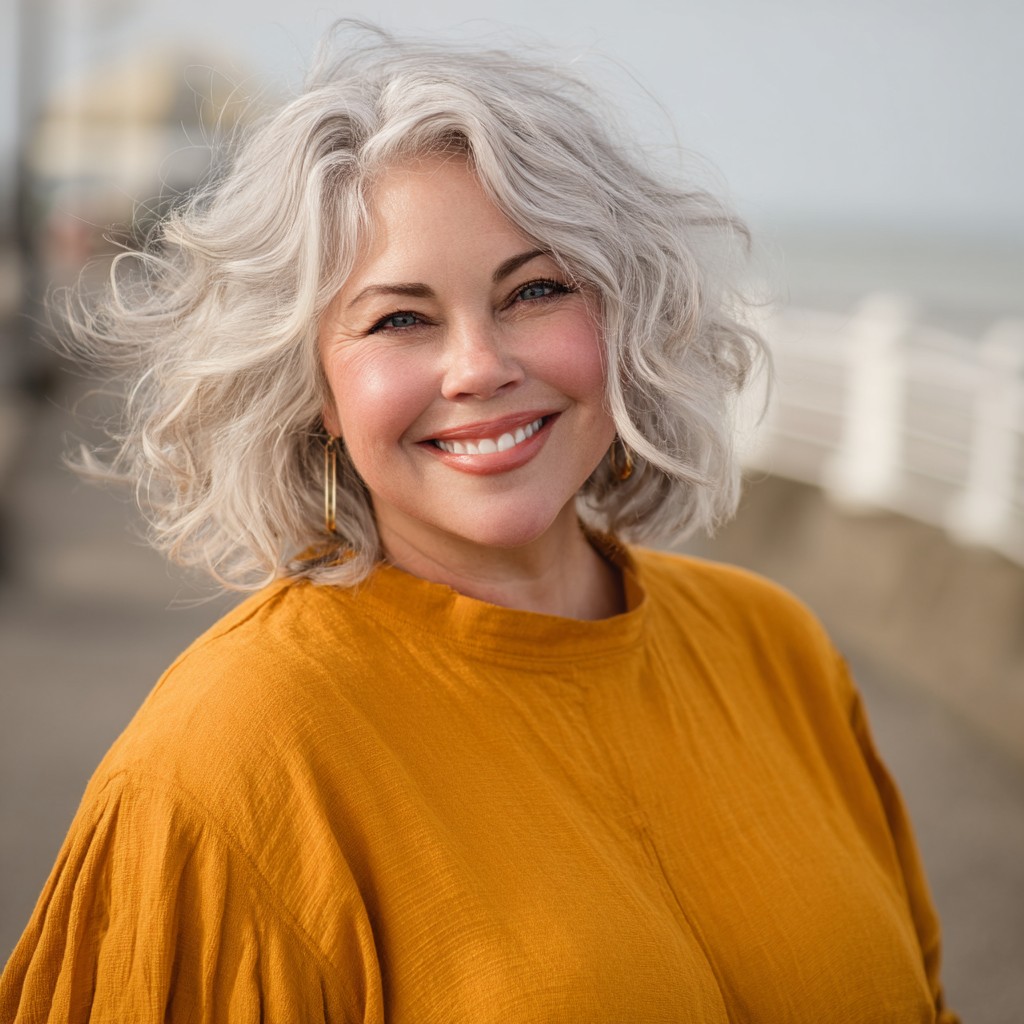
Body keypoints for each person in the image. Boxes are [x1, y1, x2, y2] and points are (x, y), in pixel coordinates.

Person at [0, 23, 957, 1024]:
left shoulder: (778, 650)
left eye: (535, 290)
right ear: (316, 389)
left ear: (623, 317)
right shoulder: (225, 760)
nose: (480, 368)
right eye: (399, 319)